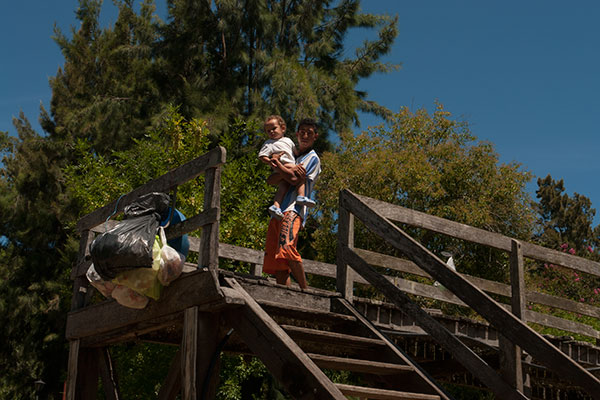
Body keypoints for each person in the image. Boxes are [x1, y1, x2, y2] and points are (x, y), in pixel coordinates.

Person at [262, 118, 321, 289]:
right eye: (302, 131)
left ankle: (305, 290)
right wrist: (284, 168)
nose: (305, 135)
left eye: (309, 133)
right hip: (278, 212)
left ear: (315, 137)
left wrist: (278, 165)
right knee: (278, 260)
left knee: (287, 248)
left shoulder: (313, 158)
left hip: (293, 209)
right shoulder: (291, 154)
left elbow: (295, 179)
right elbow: (270, 180)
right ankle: (286, 296)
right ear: (296, 133)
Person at [258, 115, 315, 220]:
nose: (271, 132)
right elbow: (262, 156)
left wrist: (299, 155)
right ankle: (301, 196)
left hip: (287, 166)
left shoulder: (288, 140)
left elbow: (295, 151)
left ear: (283, 128)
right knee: (300, 176)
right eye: (268, 131)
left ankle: (276, 206)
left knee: (283, 187)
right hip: (285, 164)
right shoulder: (269, 143)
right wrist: (270, 161)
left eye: (274, 128)